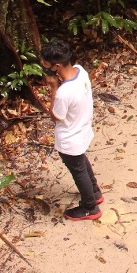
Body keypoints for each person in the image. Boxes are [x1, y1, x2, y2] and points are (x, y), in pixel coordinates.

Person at [41, 39, 103, 220]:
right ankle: (95, 192)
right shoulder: (81, 72)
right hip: (82, 130)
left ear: (56, 66)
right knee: (81, 163)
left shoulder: (63, 92)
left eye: (46, 64)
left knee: (78, 171)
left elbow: (56, 116)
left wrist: (53, 87)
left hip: (70, 138)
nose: (44, 68)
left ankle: (89, 207)